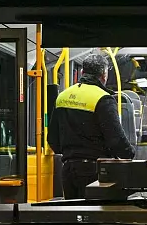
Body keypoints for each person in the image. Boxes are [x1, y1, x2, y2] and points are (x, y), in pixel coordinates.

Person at [48, 50, 136, 199]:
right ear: (104, 75)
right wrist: (129, 154)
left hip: (68, 170)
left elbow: (52, 139)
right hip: (94, 171)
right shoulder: (103, 99)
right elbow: (116, 139)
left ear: (83, 71)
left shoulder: (62, 97)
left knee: (74, 217)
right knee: (95, 215)